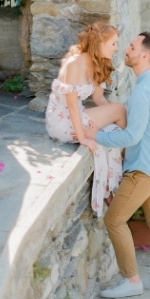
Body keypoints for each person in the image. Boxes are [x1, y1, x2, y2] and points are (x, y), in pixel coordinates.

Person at [87, 32, 150, 298]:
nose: (126, 49)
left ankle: (132, 280)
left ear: (144, 55)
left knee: (114, 220)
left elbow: (131, 136)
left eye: (132, 47)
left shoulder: (142, 91)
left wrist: (95, 135)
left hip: (143, 169)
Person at [45, 22, 127, 217]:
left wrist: (110, 119)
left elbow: (98, 98)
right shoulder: (75, 63)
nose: (116, 48)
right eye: (113, 43)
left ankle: (111, 179)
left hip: (77, 114)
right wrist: (83, 138)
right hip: (61, 122)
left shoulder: (97, 62)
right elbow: (72, 105)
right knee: (121, 110)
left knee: (118, 114)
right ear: (100, 42)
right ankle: (119, 173)